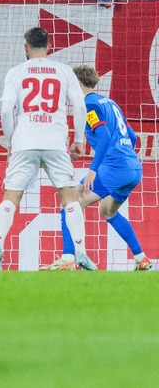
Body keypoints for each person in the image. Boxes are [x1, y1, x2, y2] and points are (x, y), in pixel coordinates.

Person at [0, 27, 95, 271]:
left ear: (25, 47)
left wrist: (11, 140)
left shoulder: (16, 72)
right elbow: (79, 106)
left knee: (11, 197)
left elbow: (6, 110)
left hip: (24, 141)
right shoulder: (63, 70)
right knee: (69, 197)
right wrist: (79, 139)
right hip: (55, 141)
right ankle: (80, 252)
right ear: (49, 47)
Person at [40, 65, 152, 271]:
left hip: (116, 168)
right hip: (133, 168)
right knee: (107, 210)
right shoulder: (109, 103)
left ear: (77, 83)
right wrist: (124, 159)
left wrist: (94, 169)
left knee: (70, 200)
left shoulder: (88, 105)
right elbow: (133, 137)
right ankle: (141, 258)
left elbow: (104, 137)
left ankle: (68, 258)